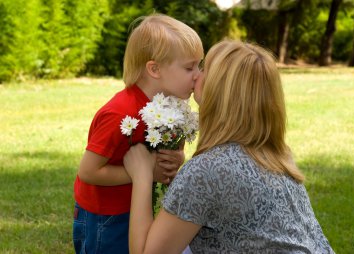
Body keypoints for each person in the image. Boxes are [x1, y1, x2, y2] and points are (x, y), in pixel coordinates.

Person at [123, 40, 335, 253]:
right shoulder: (277, 156)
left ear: (219, 89)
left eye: (205, 69)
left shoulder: (207, 170)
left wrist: (142, 174)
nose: (196, 74)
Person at [72, 14, 203, 254]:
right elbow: (88, 171)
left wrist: (175, 159)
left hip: (137, 209)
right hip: (106, 217)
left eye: (199, 65)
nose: (198, 75)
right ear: (154, 69)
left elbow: (169, 152)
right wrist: (145, 172)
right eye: (189, 67)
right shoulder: (120, 113)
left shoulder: (173, 108)